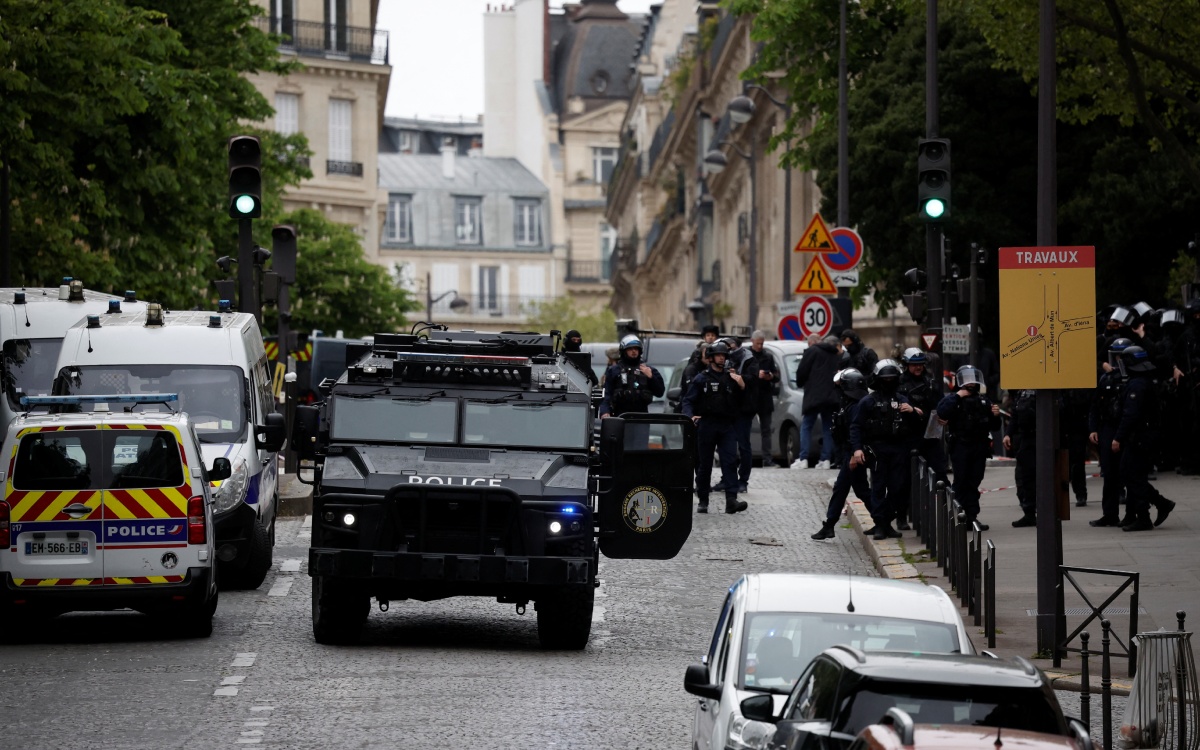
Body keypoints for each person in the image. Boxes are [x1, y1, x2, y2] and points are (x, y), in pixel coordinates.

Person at [849, 360, 923, 540]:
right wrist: (857, 449)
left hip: (899, 449)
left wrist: (912, 412)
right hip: (877, 450)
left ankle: (885, 521)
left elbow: (916, 426)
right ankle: (881, 525)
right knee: (878, 488)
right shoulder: (868, 401)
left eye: (892, 378)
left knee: (898, 488)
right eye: (885, 379)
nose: (888, 382)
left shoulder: (902, 400)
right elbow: (856, 426)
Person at [1112, 345, 1176, 531]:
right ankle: (1144, 510)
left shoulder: (1138, 384)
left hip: (1140, 437)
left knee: (1133, 475)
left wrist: (1118, 437)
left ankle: (1147, 514)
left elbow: (1131, 415)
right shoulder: (1143, 380)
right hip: (1142, 436)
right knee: (1129, 473)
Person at [682, 341, 748, 514]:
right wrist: (690, 417)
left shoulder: (731, 378)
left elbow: (743, 402)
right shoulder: (701, 378)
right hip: (707, 425)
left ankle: (731, 500)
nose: (722, 358)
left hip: (726, 425)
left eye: (724, 355)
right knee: (705, 464)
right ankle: (703, 499)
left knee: (730, 461)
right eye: (718, 355)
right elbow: (688, 400)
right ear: (711, 358)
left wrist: (742, 386)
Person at [937, 365, 1001, 530]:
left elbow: (994, 426)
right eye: (967, 379)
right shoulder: (954, 399)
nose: (971, 383)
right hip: (960, 446)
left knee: (973, 483)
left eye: (973, 379)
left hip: (979, 447)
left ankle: (971, 517)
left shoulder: (983, 401)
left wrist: (995, 414)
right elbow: (942, 412)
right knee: (960, 482)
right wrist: (958, 396)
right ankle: (957, 516)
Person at [811, 368, 872, 540]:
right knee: (852, 489)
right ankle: (830, 525)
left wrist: (853, 454)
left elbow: (856, 432)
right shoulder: (852, 404)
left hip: (853, 453)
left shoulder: (855, 408)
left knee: (851, 489)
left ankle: (882, 520)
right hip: (849, 452)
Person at [896, 347, 946, 528]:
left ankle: (946, 512)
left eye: (920, 365)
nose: (918, 368)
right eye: (914, 365)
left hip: (929, 435)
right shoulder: (898, 383)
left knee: (940, 474)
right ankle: (902, 517)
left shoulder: (931, 382)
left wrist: (943, 415)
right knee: (904, 480)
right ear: (906, 365)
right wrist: (906, 407)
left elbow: (940, 404)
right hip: (907, 437)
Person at [1088, 338, 1133, 527]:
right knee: (1109, 473)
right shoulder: (1105, 378)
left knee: (1129, 474)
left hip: (1127, 430)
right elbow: (1095, 406)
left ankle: (1132, 514)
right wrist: (1093, 428)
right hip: (1107, 428)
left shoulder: (1133, 379)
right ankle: (1110, 514)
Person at [792, 335, 842, 470]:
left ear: (810, 343)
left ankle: (803, 458)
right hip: (831, 396)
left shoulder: (812, 351)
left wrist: (800, 382)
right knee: (827, 427)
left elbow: (802, 371)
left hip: (814, 395)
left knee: (806, 425)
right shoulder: (834, 353)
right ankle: (825, 459)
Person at [740, 331, 779, 476]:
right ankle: (744, 458)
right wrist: (757, 375)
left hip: (764, 397)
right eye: (758, 343)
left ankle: (767, 459)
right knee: (745, 429)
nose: (760, 346)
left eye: (762, 343)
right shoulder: (746, 356)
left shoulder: (767, 356)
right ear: (752, 341)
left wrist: (769, 376)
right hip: (750, 397)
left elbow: (776, 375)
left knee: (766, 430)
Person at [598, 334, 665, 419]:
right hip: (620, 417)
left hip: (642, 418)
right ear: (624, 351)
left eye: (636, 348)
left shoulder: (648, 369)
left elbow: (660, 392)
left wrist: (651, 377)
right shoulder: (614, 370)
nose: (634, 351)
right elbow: (606, 393)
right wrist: (605, 411)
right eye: (630, 349)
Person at [1003, 389, 1037, 527]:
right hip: (1026, 438)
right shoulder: (1022, 393)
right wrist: (1008, 434)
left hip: (1043, 437)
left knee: (1045, 478)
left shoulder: (1044, 389)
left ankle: (1049, 513)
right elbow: (1015, 416)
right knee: (1026, 477)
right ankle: (1029, 513)